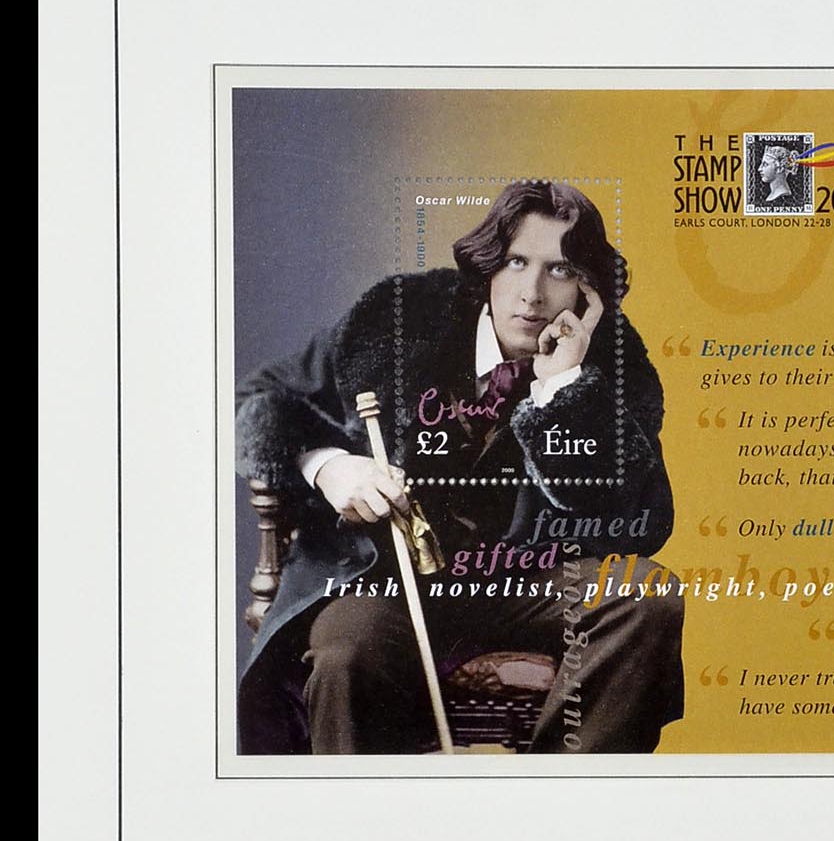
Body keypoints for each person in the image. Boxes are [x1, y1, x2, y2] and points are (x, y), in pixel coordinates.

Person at [236, 180, 683, 754]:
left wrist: (565, 390)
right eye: (517, 262)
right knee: (347, 651)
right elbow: (256, 402)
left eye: (560, 270)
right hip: (384, 582)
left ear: (587, 288)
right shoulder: (397, 317)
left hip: (529, 583)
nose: (531, 294)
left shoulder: (612, 358)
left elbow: (643, 522)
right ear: (489, 263)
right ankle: (362, 810)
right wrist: (329, 467)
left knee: (645, 596)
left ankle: (561, 797)